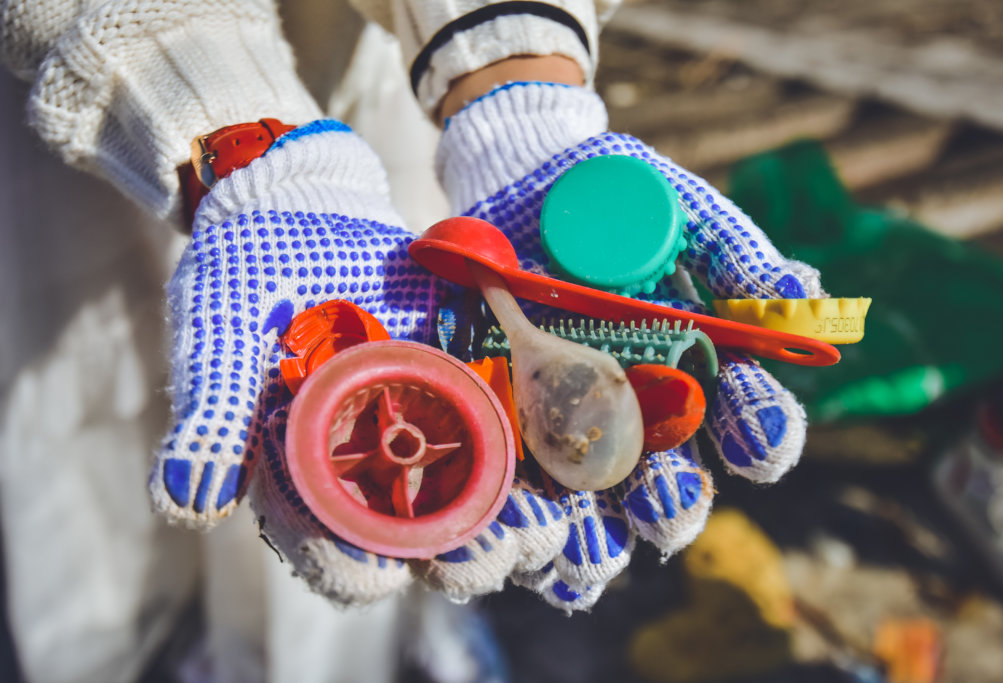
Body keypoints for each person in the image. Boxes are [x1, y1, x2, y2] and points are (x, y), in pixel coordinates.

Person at [0, 1, 827, 680]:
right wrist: (222, 119)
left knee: (359, 515)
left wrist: (507, 66)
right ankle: (134, 650)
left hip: (399, 61)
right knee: (104, 369)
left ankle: (357, 656)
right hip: (116, 84)